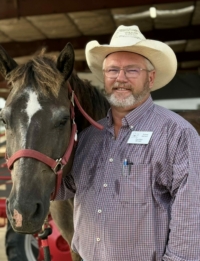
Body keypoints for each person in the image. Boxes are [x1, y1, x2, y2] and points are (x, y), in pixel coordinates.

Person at [56, 25, 200, 261]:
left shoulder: (177, 134)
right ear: (104, 77)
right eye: (112, 70)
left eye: (132, 70)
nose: (120, 78)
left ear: (150, 77)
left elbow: (192, 214)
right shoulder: (90, 138)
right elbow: (62, 188)